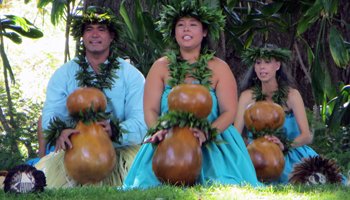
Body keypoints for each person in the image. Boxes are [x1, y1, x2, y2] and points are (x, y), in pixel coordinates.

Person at [123, 1, 262, 189]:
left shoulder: (219, 68)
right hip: (167, 141)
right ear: (174, 32)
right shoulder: (160, 67)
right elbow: (150, 109)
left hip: (215, 141)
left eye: (193, 25)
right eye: (180, 25)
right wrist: (158, 130)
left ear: (204, 32)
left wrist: (208, 132)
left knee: (225, 184)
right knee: (148, 186)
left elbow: (229, 112)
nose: (185, 29)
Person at [34, 6, 147, 188]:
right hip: (74, 153)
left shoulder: (131, 76)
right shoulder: (64, 74)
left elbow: (142, 121)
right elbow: (50, 115)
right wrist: (60, 132)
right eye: (89, 29)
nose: (94, 34)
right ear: (82, 36)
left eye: (101, 29)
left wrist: (115, 130)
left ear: (111, 37)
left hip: (120, 153)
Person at [234, 44, 321, 184]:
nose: (262, 67)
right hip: (257, 156)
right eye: (258, 62)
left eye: (267, 62)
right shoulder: (246, 96)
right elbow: (236, 135)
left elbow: (306, 136)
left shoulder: (292, 95)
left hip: (290, 154)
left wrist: (284, 145)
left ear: (277, 65)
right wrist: (246, 150)